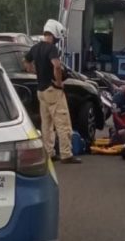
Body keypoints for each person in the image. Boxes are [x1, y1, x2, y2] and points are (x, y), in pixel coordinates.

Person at [24, 20, 82, 164]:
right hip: (52, 90)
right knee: (63, 123)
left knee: (46, 124)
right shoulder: (51, 49)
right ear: (55, 33)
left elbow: (26, 62)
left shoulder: (35, 48)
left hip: (40, 90)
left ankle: (49, 153)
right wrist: (59, 82)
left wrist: (34, 71)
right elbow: (56, 66)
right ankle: (66, 154)